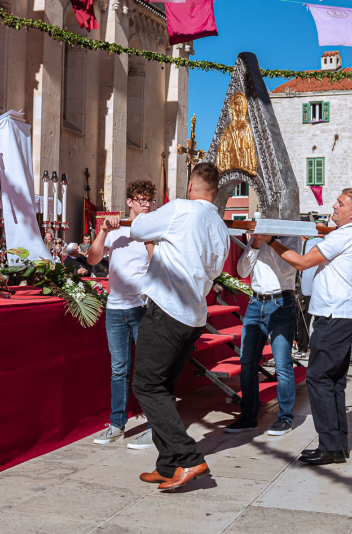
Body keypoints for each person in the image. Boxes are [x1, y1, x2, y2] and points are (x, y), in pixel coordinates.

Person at [130, 162, 228, 492]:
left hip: (167, 310)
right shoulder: (219, 224)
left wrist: (141, 214)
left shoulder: (182, 209)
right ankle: (167, 463)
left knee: (145, 385)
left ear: (191, 187)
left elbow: (139, 229)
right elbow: (214, 270)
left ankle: (188, 458)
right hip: (194, 315)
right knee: (162, 387)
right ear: (215, 193)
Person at [272, 189, 352, 466]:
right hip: (345, 313)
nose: (334, 207)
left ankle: (329, 445)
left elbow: (303, 263)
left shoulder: (344, 235)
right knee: (334, 381)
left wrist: (272, 242)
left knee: (317, 378)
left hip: (333, 315)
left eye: (340, 204)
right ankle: (337, 444)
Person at [87, 179, 156, 449]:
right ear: (129, 202)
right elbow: (93, 259)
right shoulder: (116, 231)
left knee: (147, 370)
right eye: (141, 199)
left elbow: (157, 265)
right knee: (119, 370)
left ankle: (153, 425)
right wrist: (103, 232)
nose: (147, 204)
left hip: (141, 307)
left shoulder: (152, 230)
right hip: (115, 308)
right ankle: (117, 425)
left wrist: (149, 238)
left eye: (150, 200)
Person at [223, 230, 299, 437]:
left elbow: (286, 269)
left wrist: (272, 241)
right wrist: (256, 244)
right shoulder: (256, 239)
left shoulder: (291, 237)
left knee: (282, 363)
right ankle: (248, 417)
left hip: (281, 302)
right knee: (247, 362)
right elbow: (242, 270)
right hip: (256, 302)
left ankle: (285, 418)